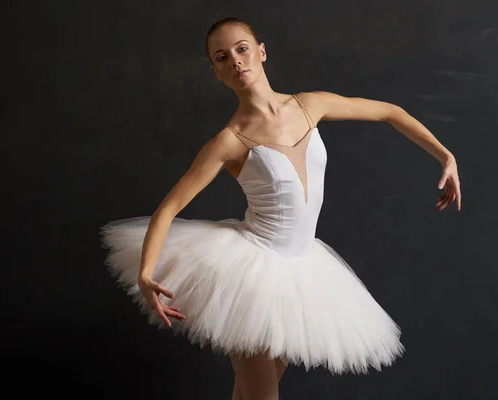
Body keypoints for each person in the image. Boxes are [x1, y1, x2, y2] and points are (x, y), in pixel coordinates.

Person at [100, 16, 462, 400]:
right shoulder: (229, 141)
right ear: (217, 73)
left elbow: (390, 112)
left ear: (262, 51)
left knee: (252, 392)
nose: (236, 61)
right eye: (222, 58)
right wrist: (144, 274)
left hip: (301, 275)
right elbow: (169, 208)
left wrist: (445, 155)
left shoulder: (310, 105)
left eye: (242, 49)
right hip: (249, 276)